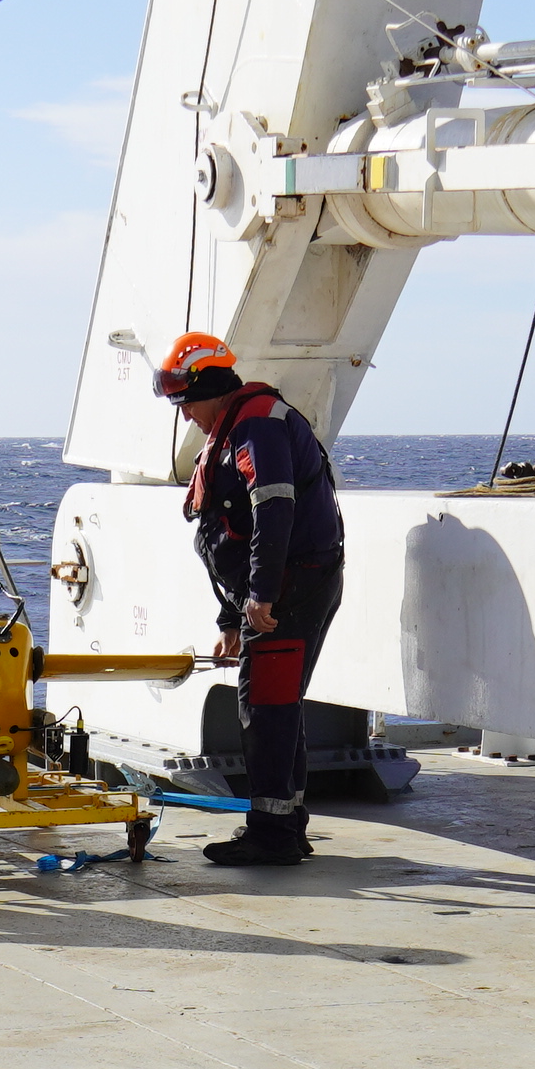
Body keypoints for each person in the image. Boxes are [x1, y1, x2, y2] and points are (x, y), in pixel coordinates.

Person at [153, 331, 348, 868]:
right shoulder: (240, 424)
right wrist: (232, 614)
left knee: (266, 706)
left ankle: (274, 835)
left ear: (212, 389)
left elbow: (274, 511)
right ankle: (283, 825)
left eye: (187, 402)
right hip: (279, 587)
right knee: (274, 703)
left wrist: (261, 596)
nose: (186, 415)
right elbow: (228, 531)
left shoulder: (256, 425)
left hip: (292, 587)